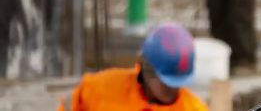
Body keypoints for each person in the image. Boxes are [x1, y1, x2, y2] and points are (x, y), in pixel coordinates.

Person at [58, 23, 207, 111]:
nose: (171, 89)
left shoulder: (192, 108)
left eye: (177, 83)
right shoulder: (103, 88)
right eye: (165, 82)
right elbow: (71, 104)